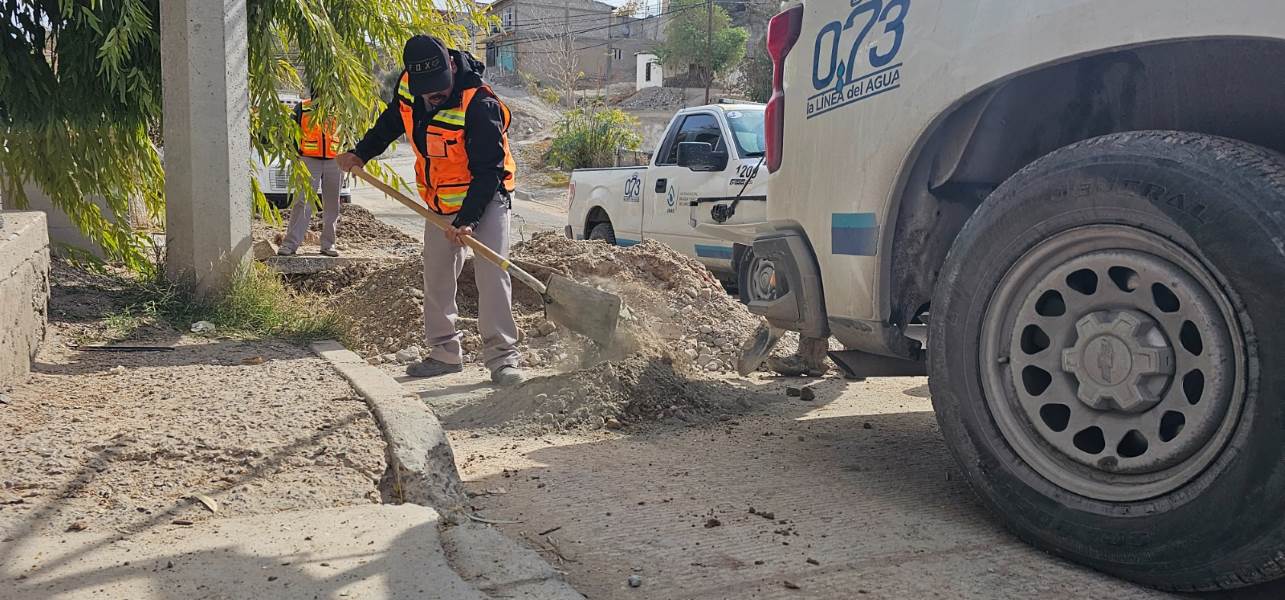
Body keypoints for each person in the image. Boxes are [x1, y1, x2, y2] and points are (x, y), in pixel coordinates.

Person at [337, 35, 524, 386]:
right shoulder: (410, 88)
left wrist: (468, 221)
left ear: (451, 67)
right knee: (436, 276)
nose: (431, 97)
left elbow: (489, 171)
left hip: (488, 198)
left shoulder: (479, 103)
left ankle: (503, 359)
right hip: (439, 204)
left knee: (492, 276)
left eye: (438, 90)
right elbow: (391, 123)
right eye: (426, 91)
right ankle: (444, 353)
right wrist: (360, 153)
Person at [279, 93, 343, 257]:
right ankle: (290, 245)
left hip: (335, 160)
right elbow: (291, 132)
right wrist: (294, 155)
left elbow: (349, 134)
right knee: (302, 202)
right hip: (308, 160)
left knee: (332, 205)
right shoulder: (302, 108)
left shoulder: (340, 109)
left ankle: (329, 245)